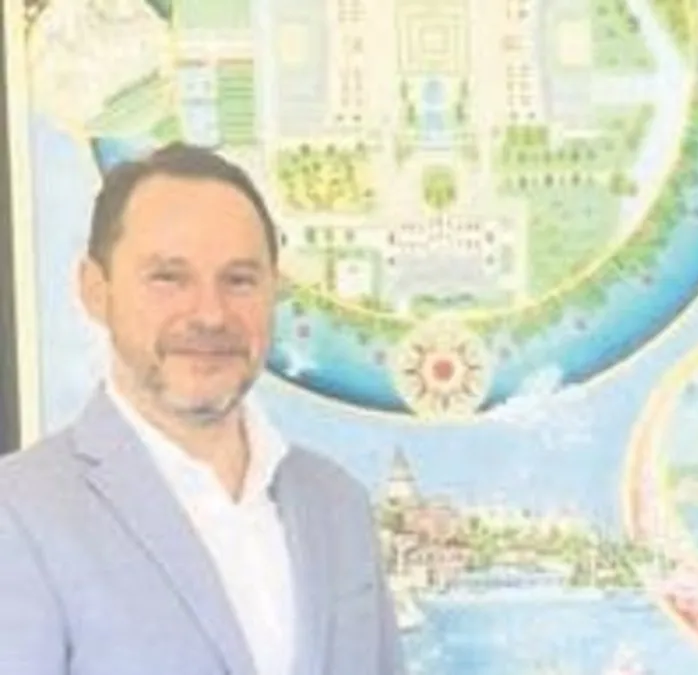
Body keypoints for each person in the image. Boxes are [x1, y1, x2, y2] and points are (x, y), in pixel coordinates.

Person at [0, 143, 402, 675]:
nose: (210, 314)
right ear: (95, 291)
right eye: (169, 278)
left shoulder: (337, 503)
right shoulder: (19, 514)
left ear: (273, 292)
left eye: (239, 280)